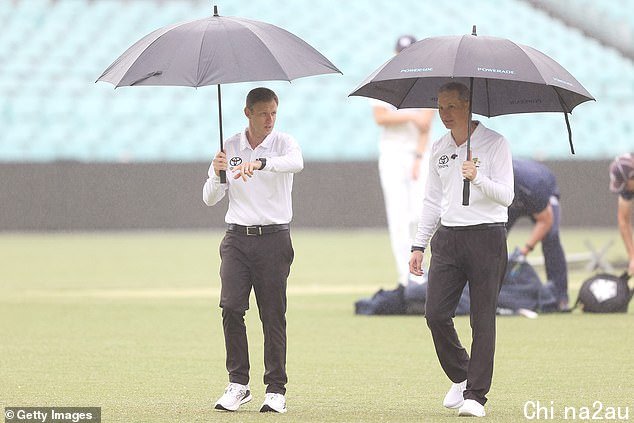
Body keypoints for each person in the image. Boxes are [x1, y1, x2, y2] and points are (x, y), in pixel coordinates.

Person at [409, 82, 514, 417]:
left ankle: (475, 396)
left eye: (452, 106)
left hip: (487, 237)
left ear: (468, 105)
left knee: (483, 319)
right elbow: (430, 201)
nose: (445, 114)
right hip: (449, 237)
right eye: (440, 107)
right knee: (436, 313)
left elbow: (507, 196)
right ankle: (461, 374)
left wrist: (478, 177)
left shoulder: (495, 143)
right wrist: (418, 244)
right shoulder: (439, 148)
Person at [203, 87, 303, 414]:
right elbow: (210, 198)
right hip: (237, 239)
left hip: (274, 238)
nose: (269, 119)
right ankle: (239, 383)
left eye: (273, 112)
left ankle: (275, 389)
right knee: (231, 307)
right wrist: (219, 174)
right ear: (248, 113)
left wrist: (259, 163)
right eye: (262, 113)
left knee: (272, 314)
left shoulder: (284, 143)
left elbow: (294, 163)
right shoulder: (229, 146)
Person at [372, 34, 435, 286]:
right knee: (397, 216)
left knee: (419, 214)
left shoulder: (427, 82)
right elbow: (380, 117)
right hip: (392, 153)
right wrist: (409, 117)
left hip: (418, 153)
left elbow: (427, 124)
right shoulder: (384, 81)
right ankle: (405, 275)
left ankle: (420, 269)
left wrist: (419, 157)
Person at [507, 159, 569, 310]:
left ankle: (560, 297)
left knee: (551, 237)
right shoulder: (488, 180)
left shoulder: (532, 184)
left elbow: (545, 221)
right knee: (492, 237)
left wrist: (525, 251)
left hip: (542, 198)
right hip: (510, 200)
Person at [609, 153, 634, 276]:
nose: (625, 189)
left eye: (625, 184)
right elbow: (623, 220)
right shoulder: (628, 188)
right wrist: (632, 257)